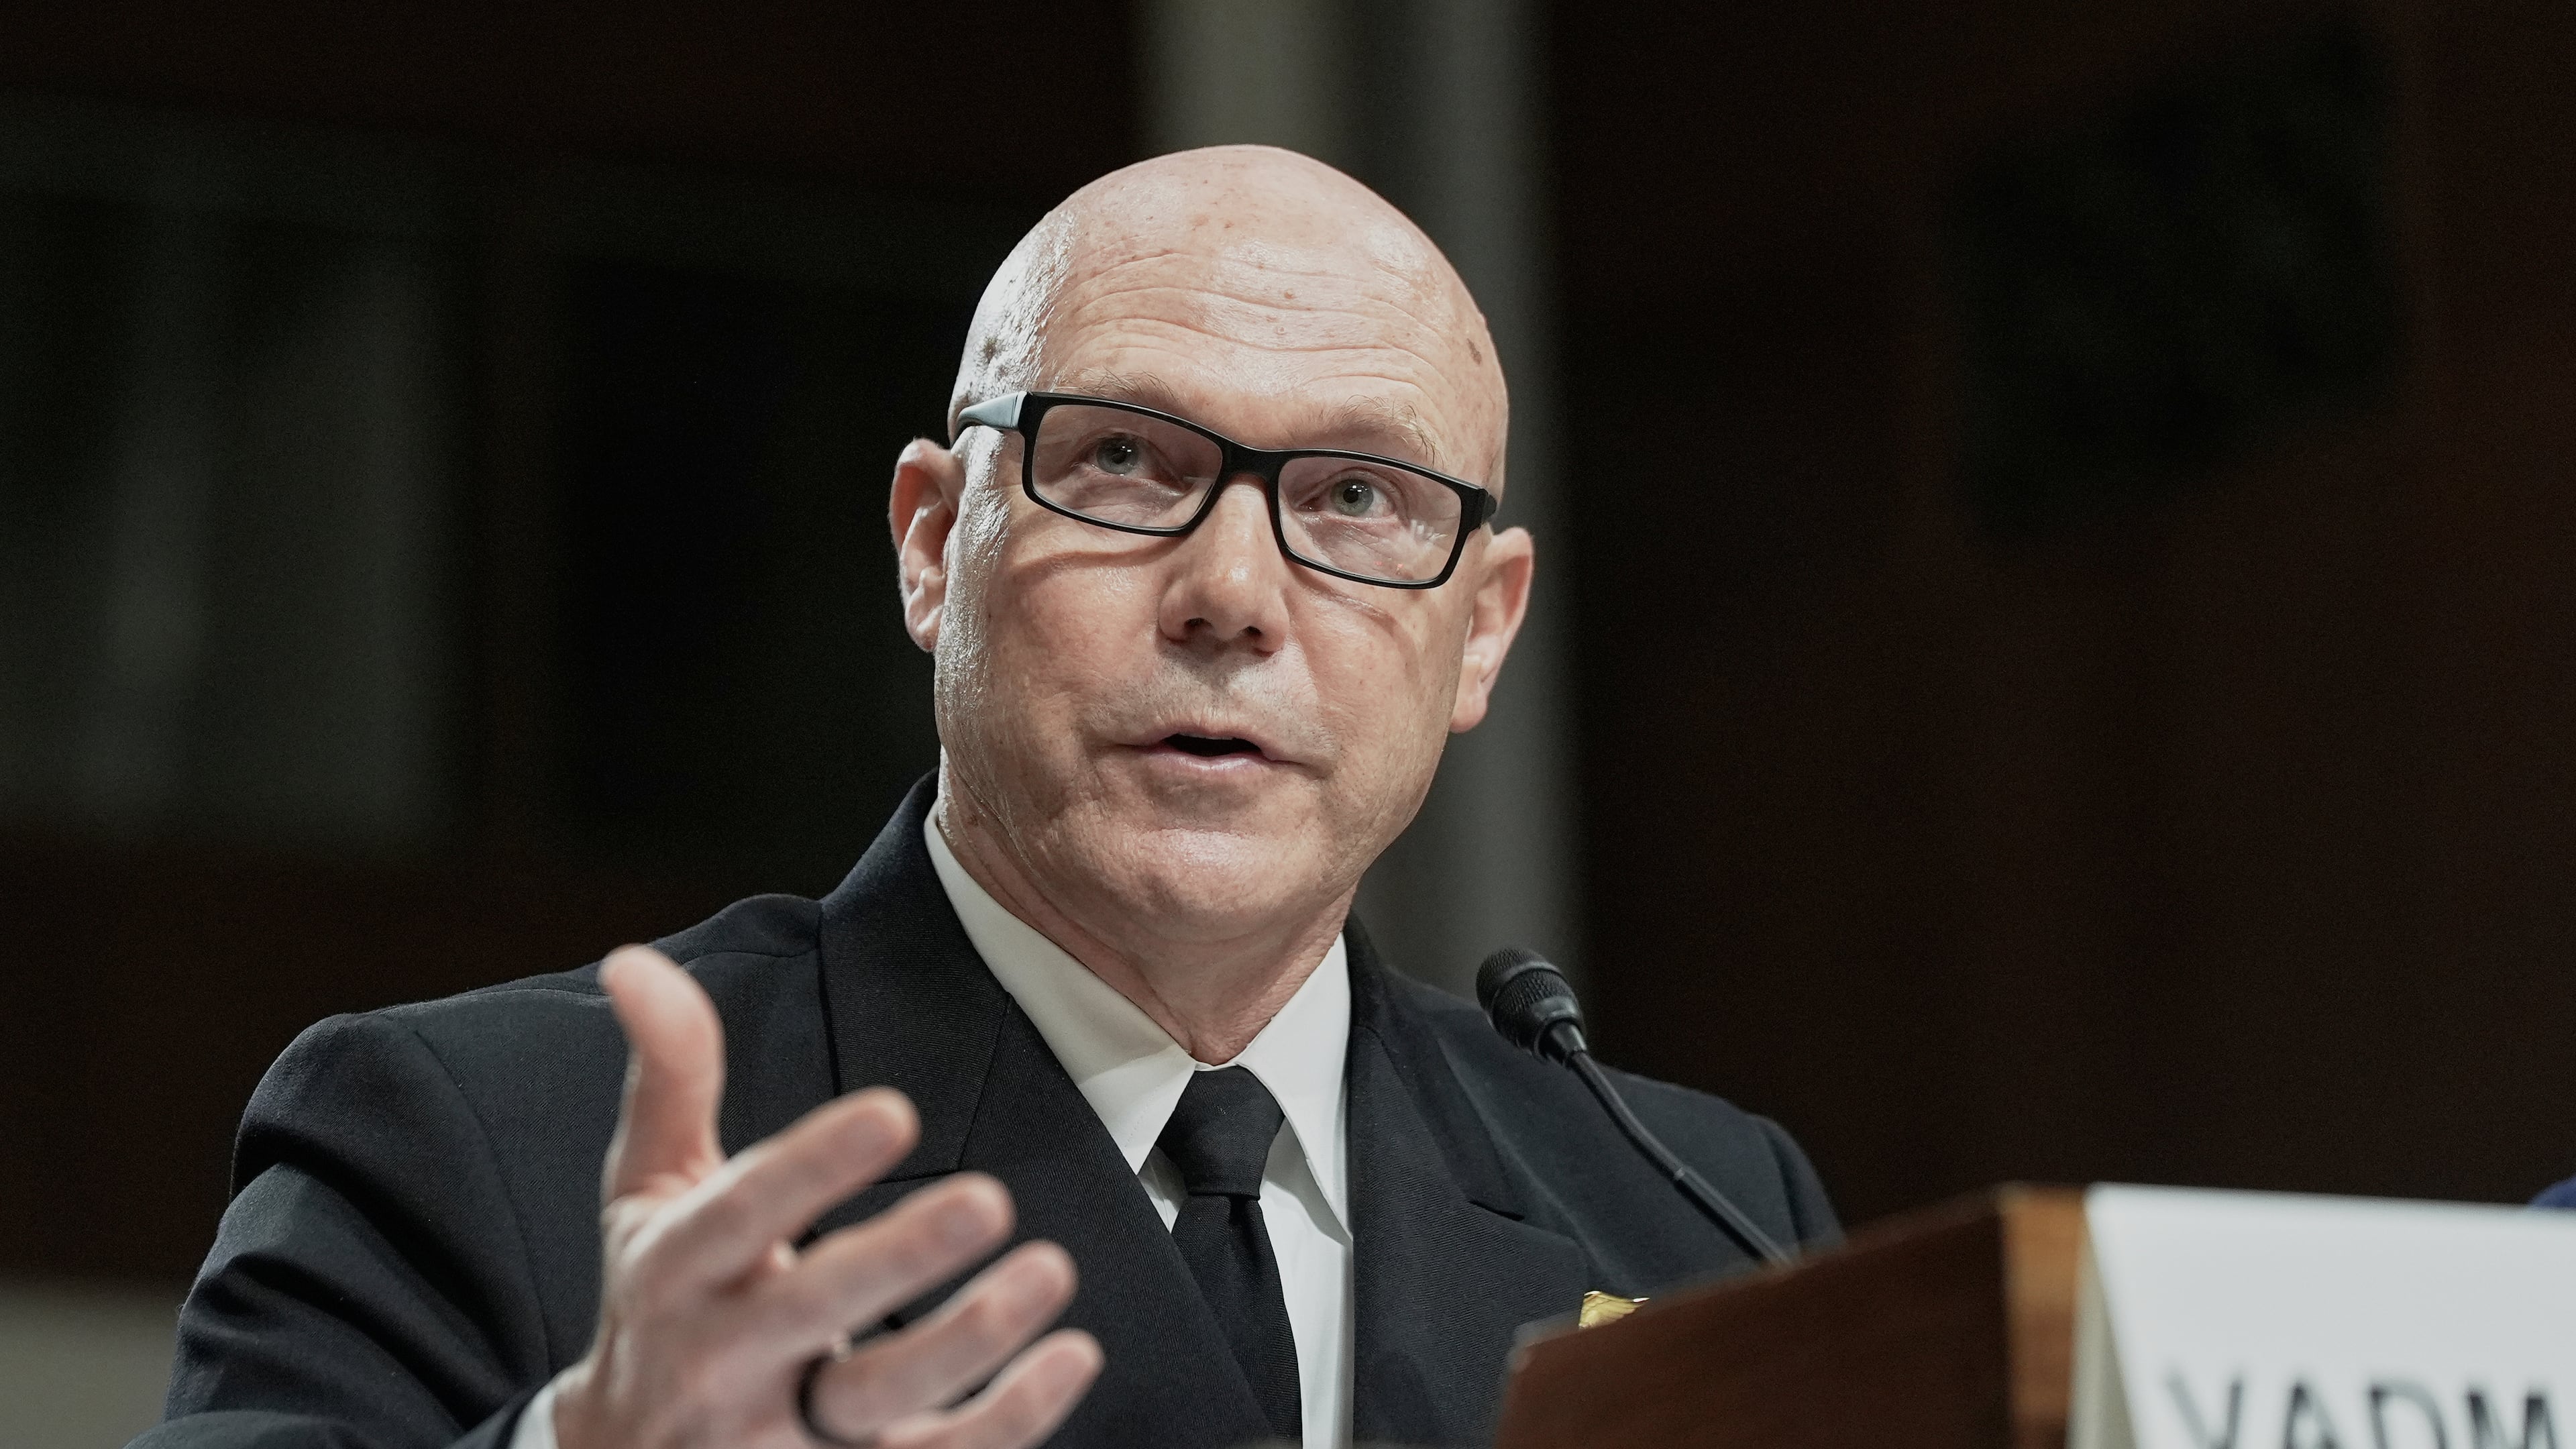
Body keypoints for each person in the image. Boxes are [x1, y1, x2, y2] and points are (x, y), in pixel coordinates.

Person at [140, 146, 1836, 1449]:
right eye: (1124, 462)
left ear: (1478, 633)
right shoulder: (475, 1141)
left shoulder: (1704, 1218)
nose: (1233, 591)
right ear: (938, 544)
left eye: (1359, 498)